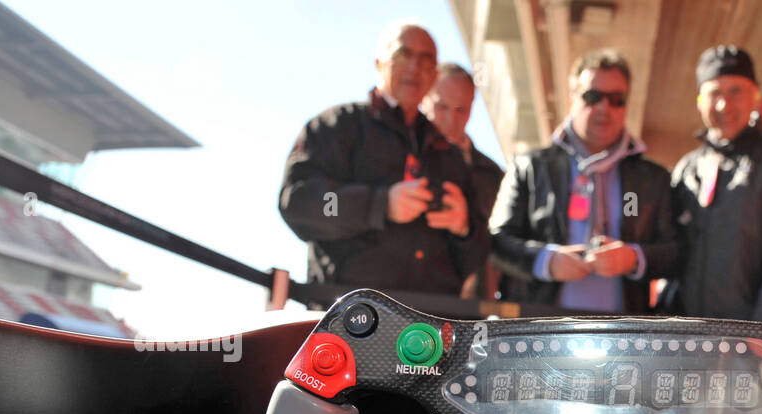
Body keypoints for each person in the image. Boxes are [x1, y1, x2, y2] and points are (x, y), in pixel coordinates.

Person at [278, 21, 488, 300]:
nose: (413, 68)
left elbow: (479, 256)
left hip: (430, 327)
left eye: (425, 61)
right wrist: (378, 204)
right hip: (351, 317)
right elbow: (300, 204)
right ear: (379, 63)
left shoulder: (448, 155)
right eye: (403, 56)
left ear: (434, 75)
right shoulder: (338, 127)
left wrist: (465, 228)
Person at [489, 49, 679, 313]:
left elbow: (675, 251)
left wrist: (633, 258)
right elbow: (496, 242)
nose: (604, 108)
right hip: (538, 331)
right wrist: (546, 260)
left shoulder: (651, 179)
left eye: (616, 99)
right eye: (592, 96)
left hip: (623, 336)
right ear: (572, 98)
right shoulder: (529, 166)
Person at [667, 45, 762, 321]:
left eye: (736, 91)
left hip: (753, 344)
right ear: (699, 100)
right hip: (689, 341)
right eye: (714, 93)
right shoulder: (687, 168)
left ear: (755, 96)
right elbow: (672, 259)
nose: (724, 105)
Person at [421, 63, 504, 300]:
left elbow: (501, 245)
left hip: (471, 306)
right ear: (424, 99)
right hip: (408, 295)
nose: (450, 119)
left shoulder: (493, 174)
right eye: (441, 106)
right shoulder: (401, 157)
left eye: (461, 110)